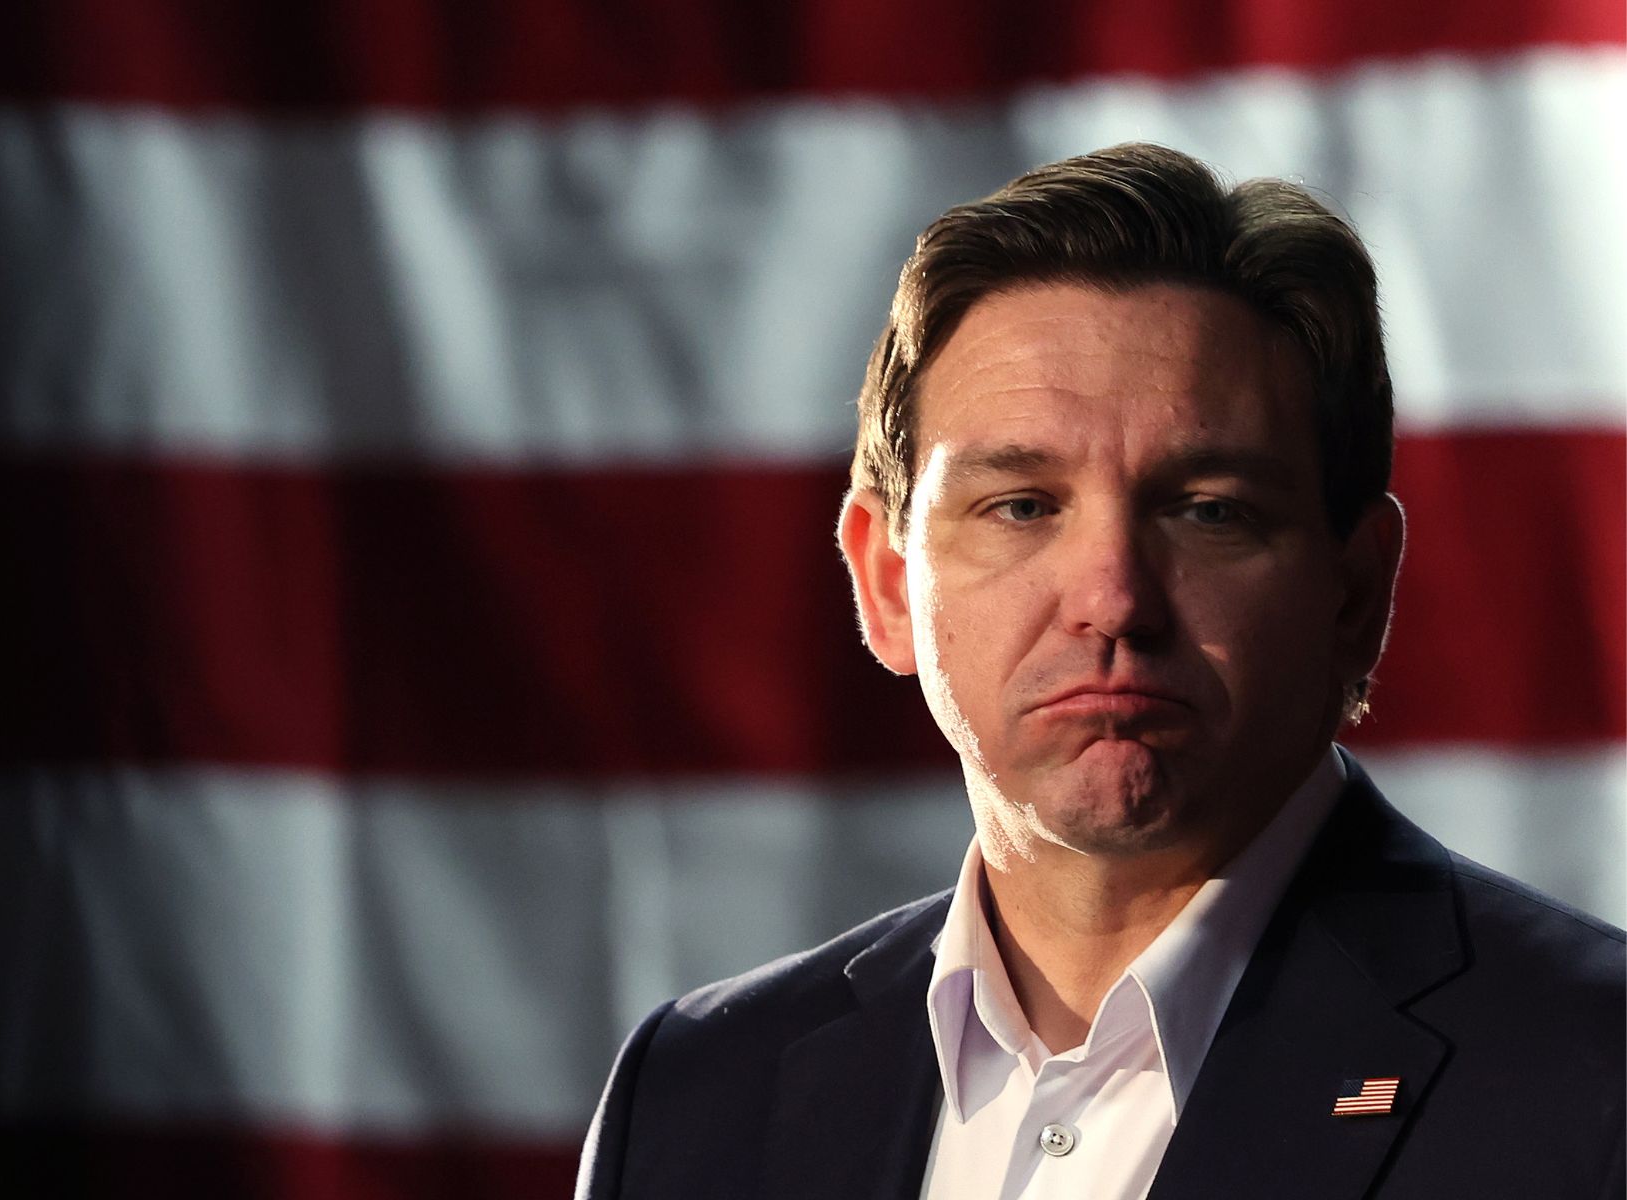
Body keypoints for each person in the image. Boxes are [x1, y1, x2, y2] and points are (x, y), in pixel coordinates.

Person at [574, 143, 1624, 1199]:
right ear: (887, 586)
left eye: (1208, 510)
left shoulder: (1596, 1075)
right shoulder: (694, 1097)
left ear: (1355, 594)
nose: (1114, 598)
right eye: (1021, 506)